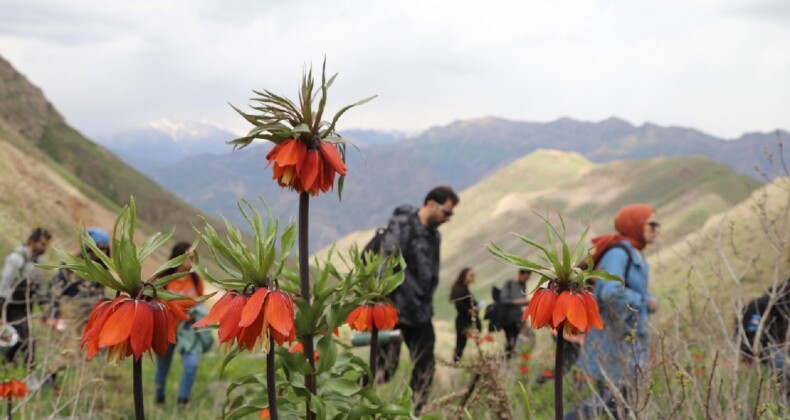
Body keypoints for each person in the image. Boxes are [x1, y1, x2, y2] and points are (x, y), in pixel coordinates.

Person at [568, 204, 660, 419]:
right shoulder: (619, 252)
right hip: (614, 339)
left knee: (620, 402)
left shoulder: (633, 252)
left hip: (626, 338)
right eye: (651, 224)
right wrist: (645, 302)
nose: (657, 229)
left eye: (658, 225)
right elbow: (609, 292)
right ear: (634, 224)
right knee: (613, 400)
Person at [377, 186, 459, 414]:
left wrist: (425, 304)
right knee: (385, 368)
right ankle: (359, 401)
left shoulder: (434, 235)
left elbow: (429, 274)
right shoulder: (402, 225)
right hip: (394, 310)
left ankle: (415, 412)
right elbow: (387, 266)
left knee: (425, 365)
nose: (448, 219)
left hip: (420, 311)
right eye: (447, 212)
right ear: (431, 204)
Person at [46, 228, 110, 385]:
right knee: (70, 348)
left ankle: (55, 377)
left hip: (88, 314)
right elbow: (57, 289)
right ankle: (48, 376)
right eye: (98, 248)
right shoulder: (71, 263)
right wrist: (53, 314)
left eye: (104, 249)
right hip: (70, 311)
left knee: (84, 350)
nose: (101, 252)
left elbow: (100, 292)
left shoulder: (102, 268)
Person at [154, 242, 209, 407]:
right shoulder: (162, 279)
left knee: (191, 365)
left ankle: (182, 401)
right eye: (189, 258)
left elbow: (200, 301)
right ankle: (160, 398)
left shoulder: (195, 278)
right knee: (163, 366)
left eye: (193, 258)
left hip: (188, 329)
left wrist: (195, 314)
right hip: (166, 328)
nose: (192, 262)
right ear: (178, 257)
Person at [0, 227, 51, 366]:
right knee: (24, 341)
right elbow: (4, 286)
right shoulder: (16, 258)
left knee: (19, 340)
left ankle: (9, 365)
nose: (44, 248)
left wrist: (44, 307)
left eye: (46, 245)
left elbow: (40, 289)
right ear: (31, 241)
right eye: (42, 244)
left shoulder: (37, 262)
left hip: (24, 307)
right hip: (10, 306)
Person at [450, 267, 481, 362]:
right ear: (464, 276)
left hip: (467, 320)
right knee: (460, 344)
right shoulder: (460, 290)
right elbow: (460, 306)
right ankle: (456, 362)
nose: (473, 277)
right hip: (463, 321)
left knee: (463, 344)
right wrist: (472, 310)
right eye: (471, 275)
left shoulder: (464, 289)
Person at [498, 269, 530, 359]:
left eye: (527, 279)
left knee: (514, 340)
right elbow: (503, 299)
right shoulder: (509, 283)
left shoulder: (523, 285)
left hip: (517, 317)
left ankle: (508, 359)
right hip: (507, 318)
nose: (525, 280)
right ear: (520, 274)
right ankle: (506, 359)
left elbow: (523, 300)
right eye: (525, 277)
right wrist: (520, 301)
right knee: (510, 339)